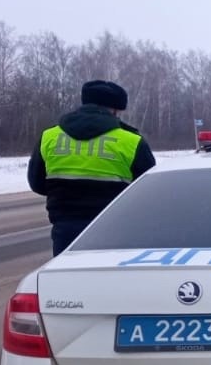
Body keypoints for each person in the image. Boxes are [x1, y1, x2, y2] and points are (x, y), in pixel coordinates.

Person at [28, 79, 156, 255]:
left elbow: (37, 183)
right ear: (115, 110)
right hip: (114, 229)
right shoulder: (131, 141)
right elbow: (147, 191)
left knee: (68, 279)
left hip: (65, 230)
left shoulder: (49, 137)